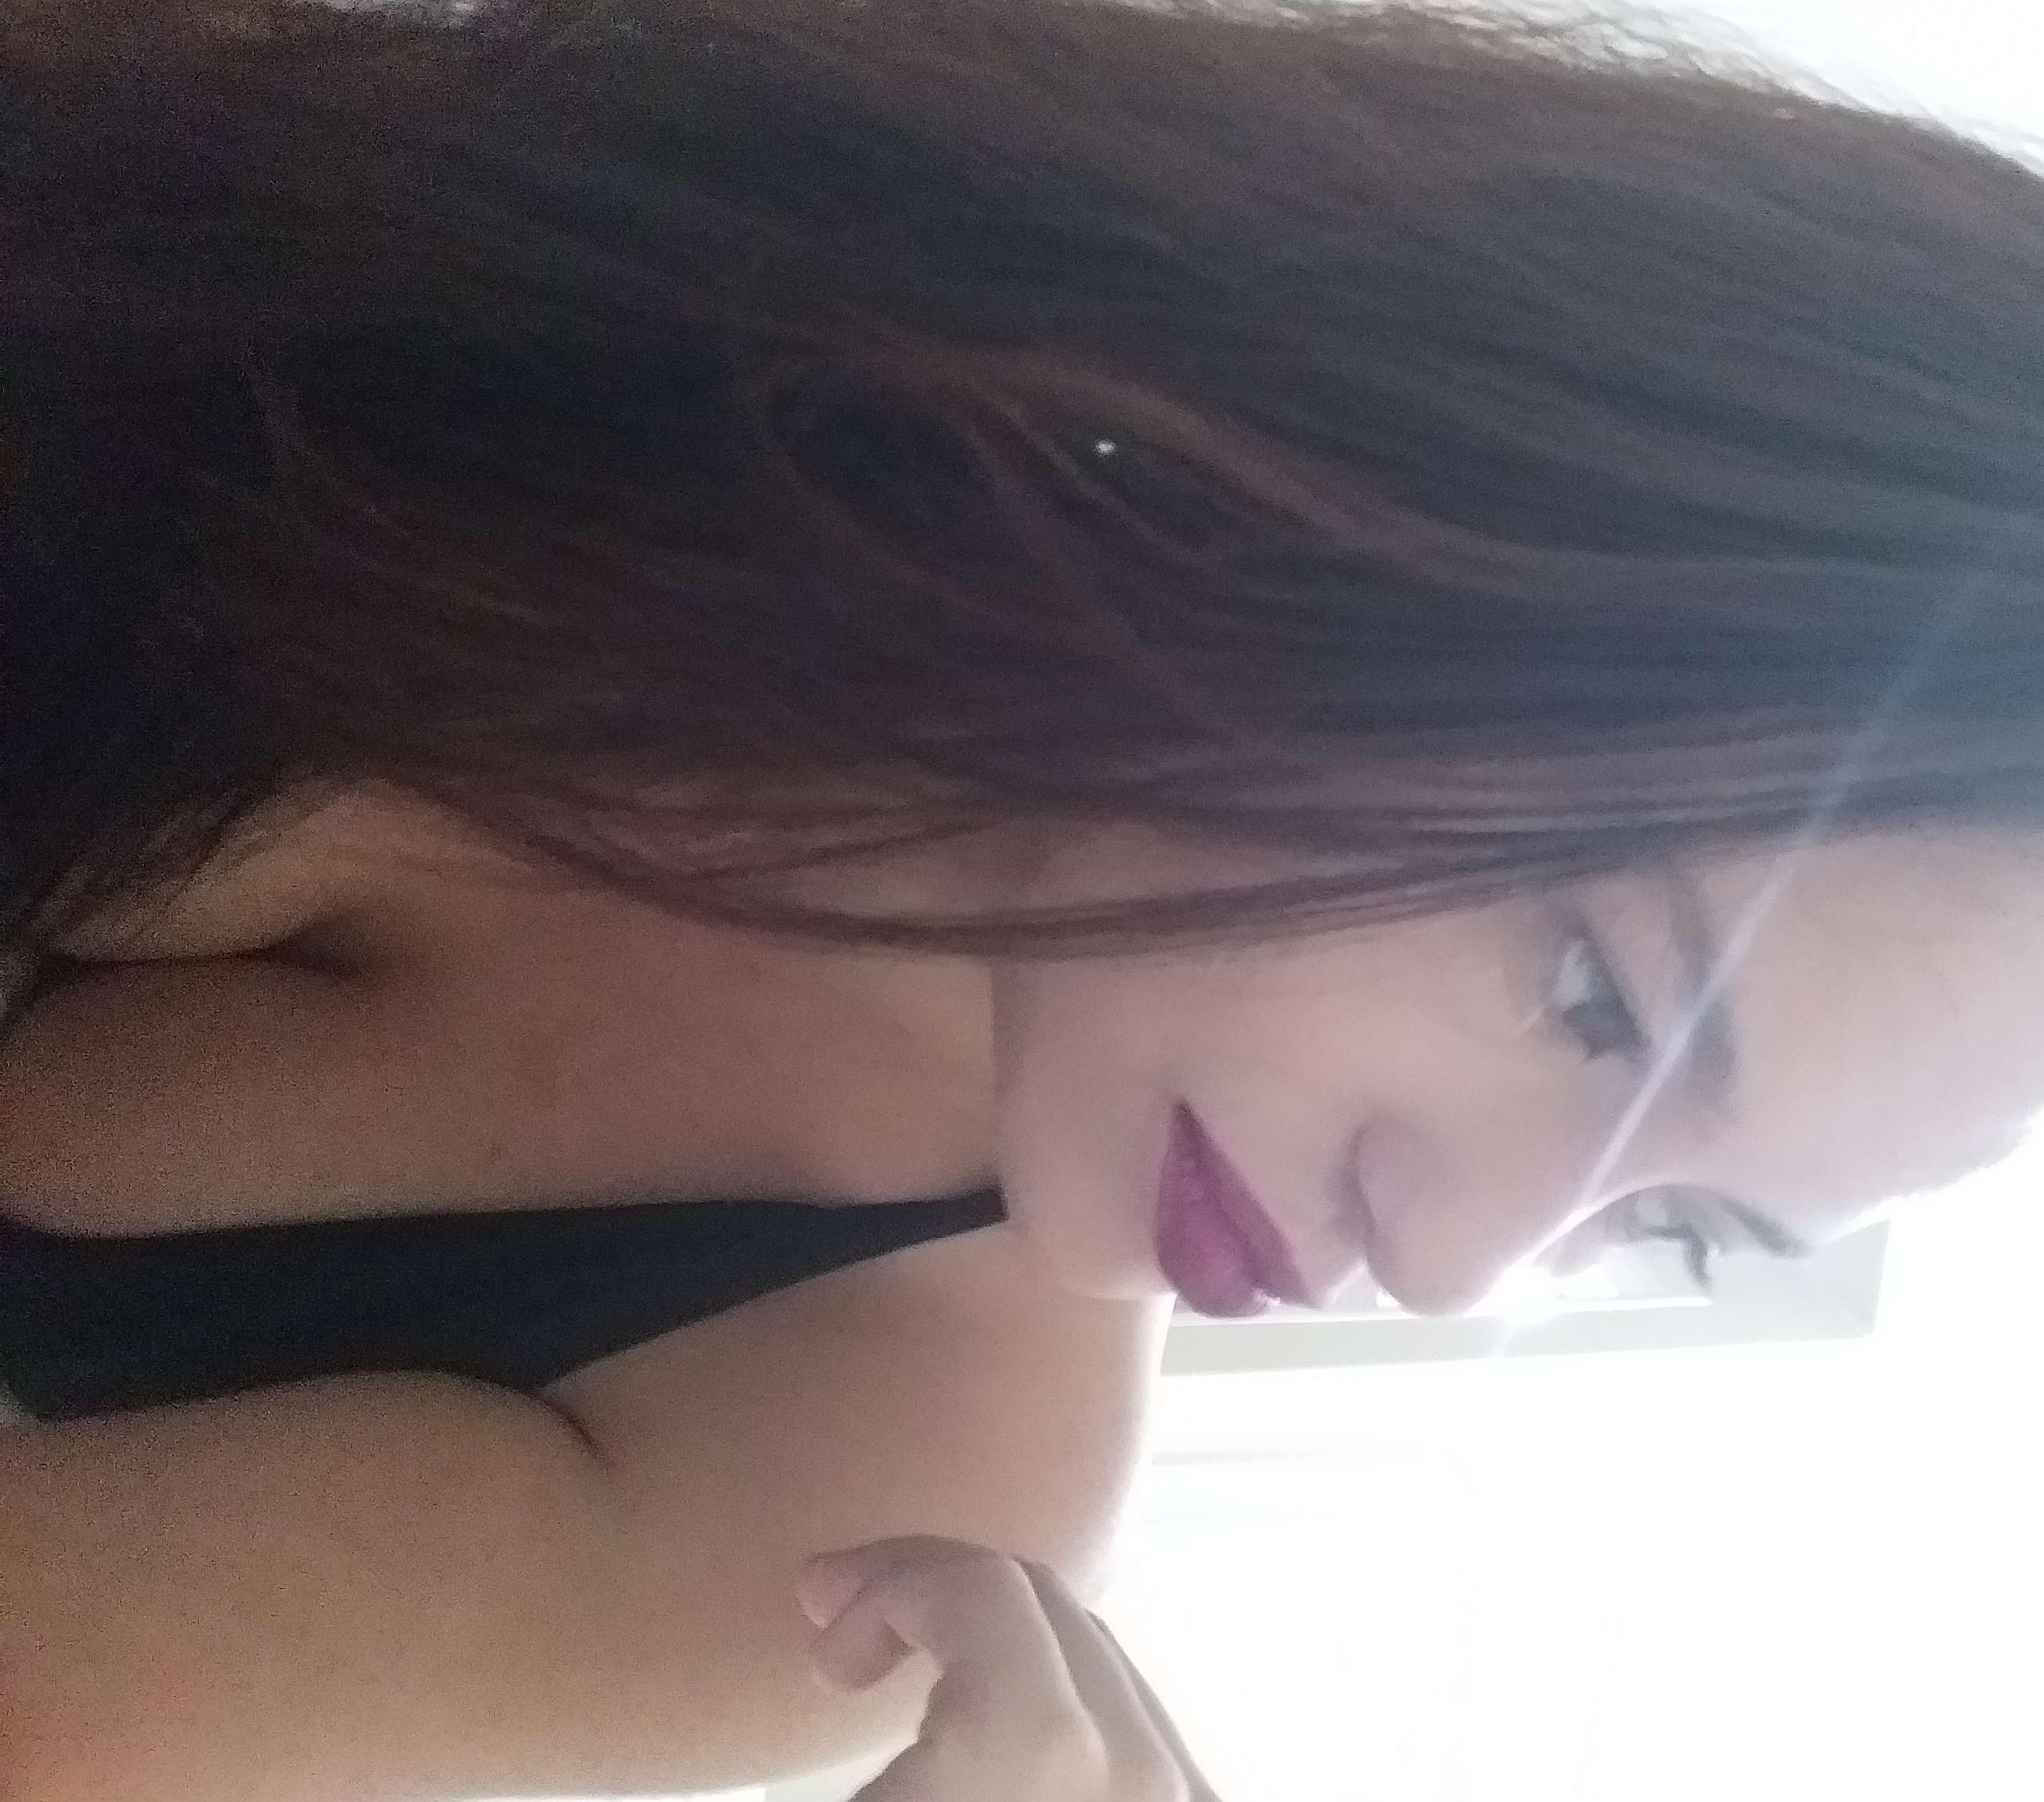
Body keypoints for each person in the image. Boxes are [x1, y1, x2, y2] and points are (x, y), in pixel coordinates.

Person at [4, 0, 2043, 1795]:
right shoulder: (449, 240)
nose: (1454, 1264)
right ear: (1440, 507)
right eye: (1596, 999)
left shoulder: (870, 1500)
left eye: (1669, 1224)